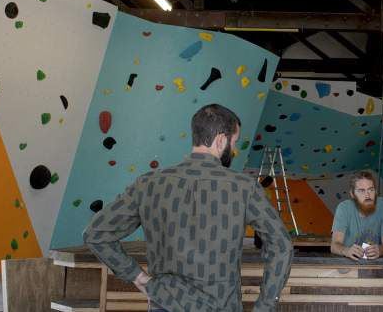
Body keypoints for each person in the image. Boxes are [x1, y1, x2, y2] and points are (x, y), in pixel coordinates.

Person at [83, 104, 292, 312]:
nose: (234, 150)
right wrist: (265, 305)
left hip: (165, 303)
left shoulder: (148, 184)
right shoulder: (244, 187)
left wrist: (137, 276)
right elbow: (282, 245)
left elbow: (96, 233)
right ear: (221, 140)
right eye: (234, 142)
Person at [330, 171, 383, 260]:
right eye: (361, 191)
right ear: (352, 194)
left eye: (371, 189)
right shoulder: (343, 208)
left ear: (376, 191)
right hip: (348, 263)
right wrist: (346, 251)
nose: (367, 195)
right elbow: (334, 245)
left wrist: (380, 250)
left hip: (376, 264)